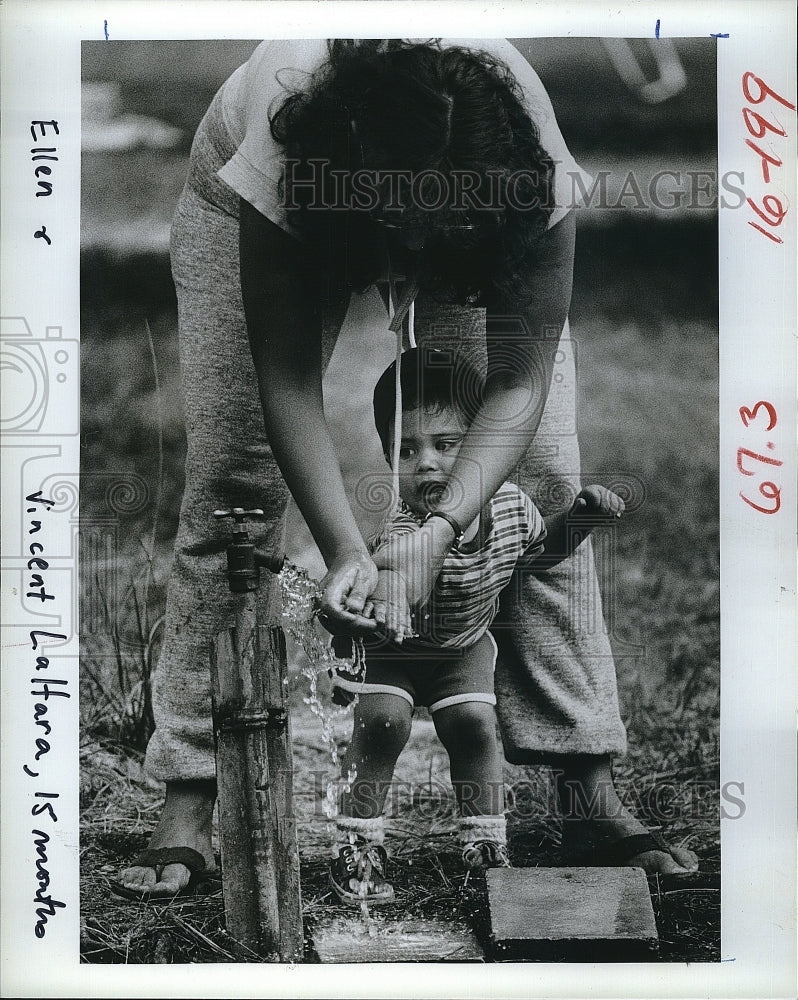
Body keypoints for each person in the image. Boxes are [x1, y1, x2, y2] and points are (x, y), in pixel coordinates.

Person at [114, 38, 697, 900]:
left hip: (460, 206)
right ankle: (193, 789)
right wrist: (348, 550)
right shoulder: (285, 158)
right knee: (234, 486)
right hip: (274, 196)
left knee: (535, 472)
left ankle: (583, 777)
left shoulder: (524, 163)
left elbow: (520, 379)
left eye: (434, 238)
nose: (408, 267)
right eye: (400, 240)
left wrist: (442, 528)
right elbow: (286, 384)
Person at [327, 346, 626, 905]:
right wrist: (353, 642)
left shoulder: (513, 508)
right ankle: (358, 844)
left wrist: (580, 519)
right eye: (407, 450)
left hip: (463, 648)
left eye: (446, 445)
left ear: (482, 451)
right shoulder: (404, 528)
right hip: (397, 649)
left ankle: (485, 842)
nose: (426, 465)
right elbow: (378, 588)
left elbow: (537, 558)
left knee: (475, 727)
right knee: (384, 724)